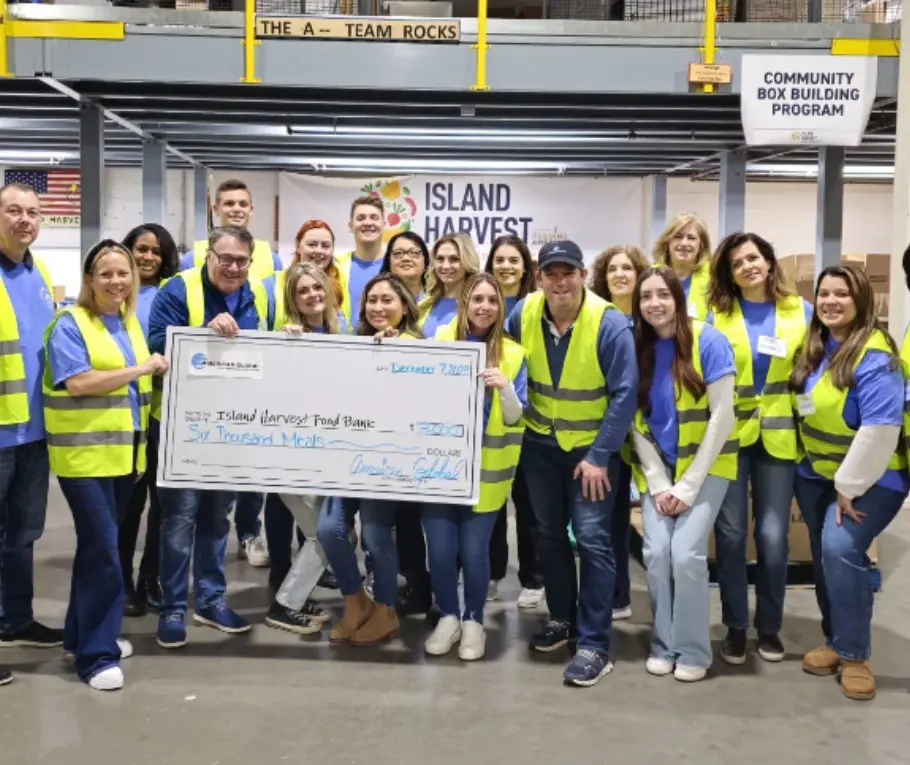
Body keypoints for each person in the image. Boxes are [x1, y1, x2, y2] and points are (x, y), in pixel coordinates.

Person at [505, 240, 637, 687]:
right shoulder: (523, 313)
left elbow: (624, 394)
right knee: (547, 536)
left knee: (594, 540)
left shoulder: (609, 323)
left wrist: (600, 456)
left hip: (592, 454)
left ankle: (596, 644)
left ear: (583, 275)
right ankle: (562, 619)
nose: (559, 282)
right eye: (550, 273)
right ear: (539, 278)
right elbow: (494, 353)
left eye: (568, 272)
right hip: (540, 447)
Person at [44, 240, 168, 691]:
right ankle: (97, 656)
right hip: (83, 459)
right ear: (89, 279)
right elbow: (78, 383)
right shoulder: (71, 323)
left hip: (121, 458)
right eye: (107, 273)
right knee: (104, 555)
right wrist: (142, 370)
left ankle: (80, 637)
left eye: (124, 273)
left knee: (99, 552)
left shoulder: (128, 323)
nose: (117, 281)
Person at [148, 226, 272, 649]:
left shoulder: (260, 294)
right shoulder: (176, 290)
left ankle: (211, 599)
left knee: (218, 518)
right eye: (226, 258)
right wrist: (204, 329)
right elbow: (155, 347)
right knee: (179, 520)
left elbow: (268, 352)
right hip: (183, 427)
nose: (233, 267)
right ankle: (172, 608)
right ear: (208, 256)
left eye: (242, 260)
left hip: (232, 429)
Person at [791, 264, 908, 702]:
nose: (830, 301)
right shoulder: (817, 346)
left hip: (871, 479)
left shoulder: (875, 355)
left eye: (842, 293)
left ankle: (855, 655)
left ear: (861, 301)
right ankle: (835, 639)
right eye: (824, 293)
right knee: (825, 560)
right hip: (816, 473)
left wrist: (849, 485)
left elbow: (881, 429)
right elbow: (805, 401)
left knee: (842, 549)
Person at [706, 232, 813, 665]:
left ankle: (769, 626)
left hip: (780, 436)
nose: (748, 266)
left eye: (754, 258)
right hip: (731, 437)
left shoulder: (800, 312)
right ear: (729, 275)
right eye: (737, 263)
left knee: (772, 537)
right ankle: (735, 626)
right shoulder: (717, 316)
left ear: (769, 262)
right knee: (730, 536)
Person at [629, 266, 736, 682]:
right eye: (645, 297)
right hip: (659, 471)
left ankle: (692, 650)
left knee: (687, 554)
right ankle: (663, 644)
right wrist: (659, 483)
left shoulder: (709, 341)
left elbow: (722, 415)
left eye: (663, 294)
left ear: (677, 297)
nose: (654, 303)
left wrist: (688, 485)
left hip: (708, 465)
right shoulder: (637, 347)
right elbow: (634, 421)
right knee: (656, 553)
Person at [424, 273, 527, 660]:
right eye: (477, 299)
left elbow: (517, 418)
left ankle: (474, 621)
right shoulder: (438, 343)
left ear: (501, 307)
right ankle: (448, 616)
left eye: (492, 300)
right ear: (464, 302)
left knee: (474, 553)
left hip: (487, 472)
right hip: (438, 468)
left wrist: (505, 387)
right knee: (440, 551)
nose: (484, 307)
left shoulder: (514, 354)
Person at [316, 274, 423, 645]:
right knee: (329, 529)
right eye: (372, 300)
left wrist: (399, 350)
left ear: (405, 306)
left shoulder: (417, 345)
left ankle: (386, 609)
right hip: (347, 454)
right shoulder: (354, 343)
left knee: (377, 535)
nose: (378, 307)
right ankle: (354, 600)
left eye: (387, 300)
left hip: (386, 460)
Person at [0, 183, 62, 690]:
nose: (25, 219)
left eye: (32, 212)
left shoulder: (36, 271)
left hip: (34, 430)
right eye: (13, 211)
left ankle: (15, 619)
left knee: (22, 534)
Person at [263, 263, 346, 635]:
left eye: (317, 288)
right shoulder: (285, 337)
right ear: (292, 300)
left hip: (326, 456)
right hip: (291, 457)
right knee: (330, 534)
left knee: (324, 533)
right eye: (303, 291)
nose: (312, 295)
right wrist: (283, 345)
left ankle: (292, 596)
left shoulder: (338, 331)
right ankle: (284, 605)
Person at [118, 223, 180, 617]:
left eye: (156, 251)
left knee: (164, 506)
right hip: (123, 415)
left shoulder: (172, 292)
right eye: (141, 249)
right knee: (127, 506)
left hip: (163, 414)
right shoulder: (114, 291)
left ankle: (151, 578)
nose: (148, 257)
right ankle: (121, 581)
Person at [588, 244, 650, 621]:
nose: (620, 274)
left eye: (628, 267)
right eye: (613, 268)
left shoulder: (651, 317)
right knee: (610, 519)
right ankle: (617, 596)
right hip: (609, 432)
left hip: (649, 433)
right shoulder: (597, 318)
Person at [484, 235, 542, 608]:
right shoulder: (483, 302)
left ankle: (533, 579)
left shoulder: (537, 306)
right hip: (490, 419)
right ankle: (490, 574)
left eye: (513, 260)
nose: (506, 266)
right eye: (499, 260)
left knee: (527, 503)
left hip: (530, 418)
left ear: (525, 266)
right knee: (490, 503)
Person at [377, 231, 433, 614]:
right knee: (387, 518)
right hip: (379, 428)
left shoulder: (442, 299)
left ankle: (421, 583)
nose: (407, 258)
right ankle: (387, 582)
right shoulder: (377, 301)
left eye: (415, 252)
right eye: (399, 252)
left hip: (423, 426)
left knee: (417, 516)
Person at [181, 178, 283, 281]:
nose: (237, 209)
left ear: (250, 210)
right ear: (216, 209)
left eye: (243, 204)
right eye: (229, 204)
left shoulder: (272, 259)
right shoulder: (191, 259)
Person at [335, 195, 386, 323]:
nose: (368, 223)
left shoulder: (395, 265)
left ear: (384, 224)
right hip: (340, 341)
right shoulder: (335, 265)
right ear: (351, 226)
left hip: (386, 341)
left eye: (374, 218)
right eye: (360, 218)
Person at [652, 213, 712, 320]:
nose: (684, 243)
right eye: (678, 237)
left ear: (701, 245)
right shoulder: (651, 275)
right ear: (667, 242)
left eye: (691, 238)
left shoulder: (714, 277)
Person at [420, 233, 480, 338]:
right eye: (440, 259)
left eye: (454, 259)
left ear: (467, 262)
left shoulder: (478, 306)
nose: (446, 266)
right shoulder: (423, 304)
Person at [379, 231, 429, 301]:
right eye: (398, 253)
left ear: (425, 260)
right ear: (388, 261)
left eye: (414, 253)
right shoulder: (378, 301)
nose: (406, 258)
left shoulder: (438, 300)